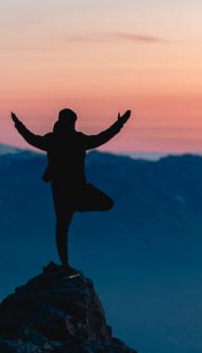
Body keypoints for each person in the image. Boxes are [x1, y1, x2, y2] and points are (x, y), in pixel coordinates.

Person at [10, 108, 132, 270]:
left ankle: (65, 261)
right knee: (103, 205)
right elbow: (103, 137)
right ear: (72, 122)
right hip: (77, 189)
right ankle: (65, 260)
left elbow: (31, 139)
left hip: (62, 192)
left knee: (62, 227)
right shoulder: (77, 140)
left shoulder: (53, 140)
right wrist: (120, 123)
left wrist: (18, 125)